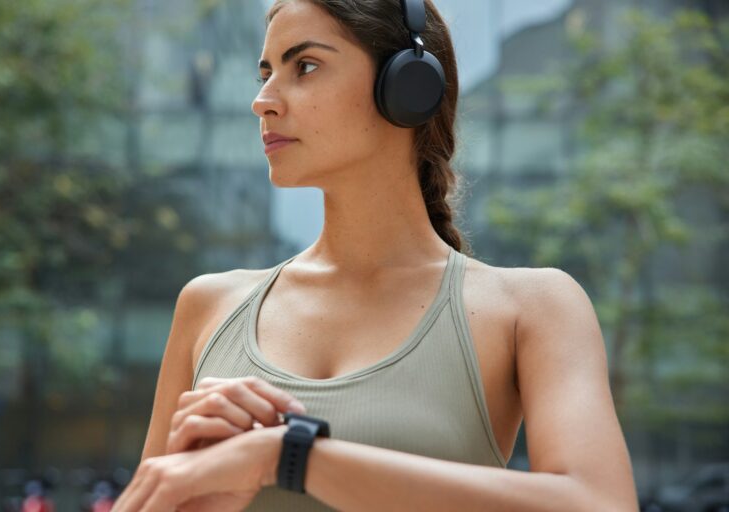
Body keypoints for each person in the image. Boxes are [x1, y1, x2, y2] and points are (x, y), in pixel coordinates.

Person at [111, 0, 639, 510]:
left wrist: (288, 456)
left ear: (408, 86)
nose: (263, 99)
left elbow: (597, 502)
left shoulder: (533, 307)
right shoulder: (208, 306)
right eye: (265, 72)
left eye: (306, 66)